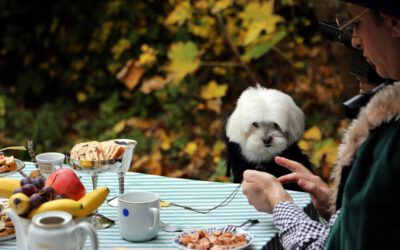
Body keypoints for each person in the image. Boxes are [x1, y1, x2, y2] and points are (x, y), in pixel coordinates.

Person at [242, 0, 400, 249]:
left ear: (393, 23)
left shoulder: (392, 139)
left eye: (357, 24)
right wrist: (339, 207)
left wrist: (278, 203)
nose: (356, 41)